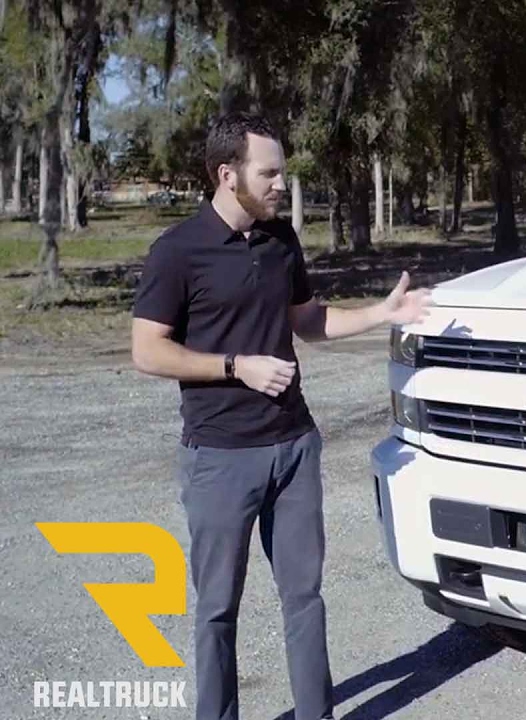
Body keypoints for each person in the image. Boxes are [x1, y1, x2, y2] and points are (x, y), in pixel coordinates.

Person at [130, 112, 433, 720]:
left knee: (304, 598)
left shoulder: (280, 240)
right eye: (268, 173)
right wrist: (234, 366)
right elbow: (148, 351)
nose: (280, 184)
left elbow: (308, 320)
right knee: (217, 609)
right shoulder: (178, 251)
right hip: (219, 456)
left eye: (281, 172)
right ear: (227, 175)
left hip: (294, 446)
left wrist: (382, 313)